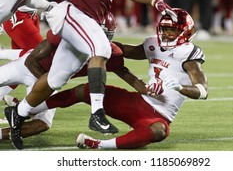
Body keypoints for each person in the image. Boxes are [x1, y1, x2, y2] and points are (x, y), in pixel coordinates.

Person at [4, 0, 177, 146]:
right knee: (101, 48)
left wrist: (155, 1)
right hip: (73, 11)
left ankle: (19, 112)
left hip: (92, 19)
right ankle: (97, 114)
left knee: (56, 79)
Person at [30, 8, 208, 149]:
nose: (167, 35)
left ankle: (99, 145)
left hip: (158, 115)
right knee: (84, 90)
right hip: (137, 102)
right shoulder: (153, 43)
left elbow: (202, 91)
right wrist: (96, 39)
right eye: (165, 29)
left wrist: (180, 88)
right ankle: (31, 108)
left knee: (159, 131)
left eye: (173, 31)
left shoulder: (189, 55)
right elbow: (127, 51)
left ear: (185, 32)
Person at [0, 12, 119, 143]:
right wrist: (43, 88)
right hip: (28, 69)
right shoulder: (67, 34)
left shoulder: (107, 53)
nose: (101, 39)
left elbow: (125, 60)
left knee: (42, 123)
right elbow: (31, 60)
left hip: (48, 82)